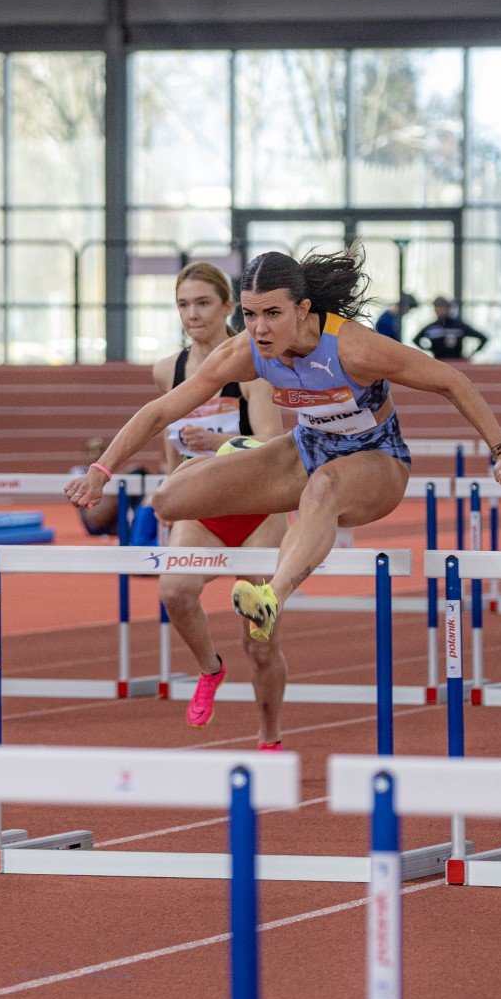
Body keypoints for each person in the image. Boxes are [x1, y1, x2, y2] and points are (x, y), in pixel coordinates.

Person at [66, 249, 501, 644]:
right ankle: (238, 448)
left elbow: (452, 381)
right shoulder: (244, 352)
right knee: (170, 499)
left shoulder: (354, 348)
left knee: (324, 487)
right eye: (249, 315)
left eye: (272, 314)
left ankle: (272, 598)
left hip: (377, 459)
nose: (259, 329)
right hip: (305, 449)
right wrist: (101, 471)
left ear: (302, 309)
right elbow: (161, 411)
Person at [152, 262, 288, 748]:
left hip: (259, 511)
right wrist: (171, 490)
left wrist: (218, 443)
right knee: (174, 590)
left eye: (203, 303)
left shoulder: (254, 364)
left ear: (228, 307)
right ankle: (209, 669)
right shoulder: (168, 370)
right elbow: (169, 440)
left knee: (260, 641)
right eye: (183, 304)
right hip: (204, 512)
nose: (192, 314)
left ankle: (269, 735)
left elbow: (272, 441)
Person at [412, 296, 488, 361]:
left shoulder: (458, 326)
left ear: (449, 308)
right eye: (437, 307)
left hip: (457, 363)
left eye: (443, 307)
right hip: (439, 363)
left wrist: (470, 355)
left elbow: (483, 338)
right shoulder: (431, 327)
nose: (439, 310)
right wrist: (429, 349)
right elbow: (416, 340)